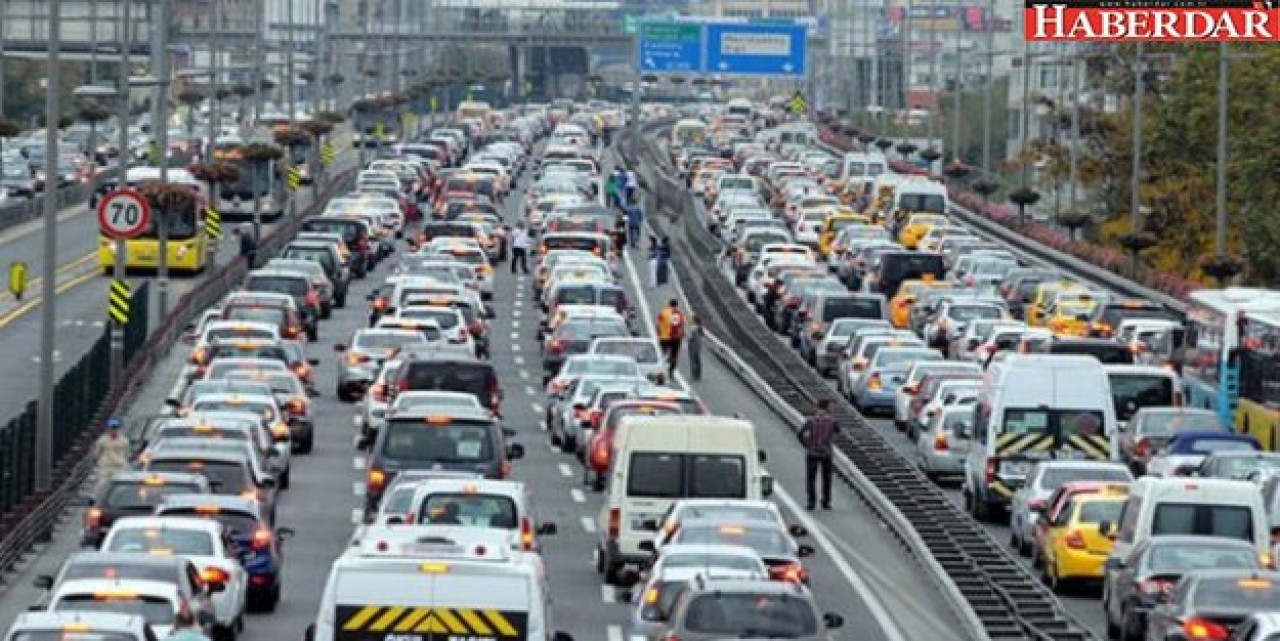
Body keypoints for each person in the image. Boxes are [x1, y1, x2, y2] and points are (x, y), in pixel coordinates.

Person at [798, 399, 838, 510]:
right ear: (828, 408)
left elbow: (800, 433)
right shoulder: (832, 421)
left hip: (812, 452)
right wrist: (829, 442)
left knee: (811, 478)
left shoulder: (811, 421)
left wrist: (807, 444)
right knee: (826, 478)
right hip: (826, 453)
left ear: (817, 407)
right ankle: (826, 501)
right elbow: (837, 432)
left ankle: (811, 502)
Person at [94, 417, 131, 497]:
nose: (113, 430)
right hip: (106, 466)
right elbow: (97, 453)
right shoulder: (102, 440)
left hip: (119, 466)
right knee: (102, 483)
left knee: (120, 486)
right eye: (112, 428)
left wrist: (124, 462)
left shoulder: (124, 441)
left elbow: (127, 454)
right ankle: (98, 499)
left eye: (115, 427)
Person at [656, 300, 686, 378]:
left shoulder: (664, 312)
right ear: (676, 305)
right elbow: (682, 326)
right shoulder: (679, 314)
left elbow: (658, 324)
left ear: (669, 304)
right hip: (676, 338)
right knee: (674, 355)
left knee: (663, 354)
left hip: (664, 337)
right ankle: (671, 371)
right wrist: (682, 335)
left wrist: (658, 334)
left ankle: (661, 371)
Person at [687, 315, 704, 382]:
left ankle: (694, 375)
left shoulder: (693, 328)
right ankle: (698, 374)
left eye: (692, 319)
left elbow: (690, 337)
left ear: (694, 321)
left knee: (692, 360)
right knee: (697, 360)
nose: (691, 320)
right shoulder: (700, 328)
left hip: (692, 345)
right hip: (698, 346)